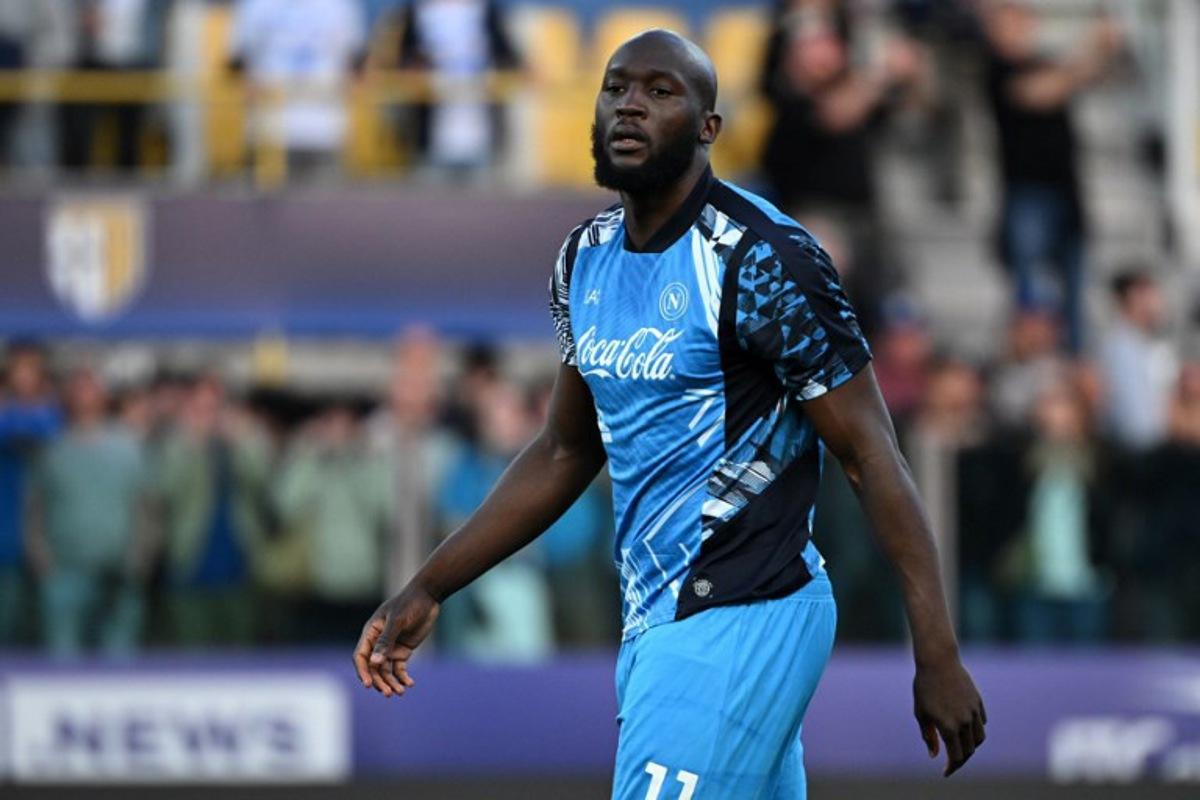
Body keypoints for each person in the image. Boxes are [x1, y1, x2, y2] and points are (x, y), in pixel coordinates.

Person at [354, 30, 986, 796]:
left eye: (660, 92)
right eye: (617, 87)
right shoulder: (582, 257)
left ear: (708, 127)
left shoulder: (762, 260)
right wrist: (428, 585)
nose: (630, 105)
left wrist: (937, 651)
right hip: (658, 625)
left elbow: (869, 452)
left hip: (748, 609)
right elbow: (563, 450)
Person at [982, 1, 1123, 354]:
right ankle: (1026, 361)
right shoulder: (997, 70)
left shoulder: (1045, 62)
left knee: (1073, 297)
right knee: (1030, 296)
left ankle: (1073, 368)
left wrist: (1104, 49)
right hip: (1027, 195)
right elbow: (1042, 91)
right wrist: (1092, 46)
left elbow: (1086, 76)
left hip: (1066, 193)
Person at [25, 368, 150, 656]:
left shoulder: (128, 448)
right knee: (62, 661)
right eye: (78, 390)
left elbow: (146, 508)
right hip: (64, 575)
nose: (85, 397)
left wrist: (139, 560)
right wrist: (43, 562)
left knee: (119, 663)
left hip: (120, 574)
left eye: (91, 390)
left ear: (105, 398)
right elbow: (35, 510)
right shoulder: (51, 450)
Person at [0, 342, 62, 645]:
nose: (25, 375)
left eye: (31, 368)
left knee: (47, 631)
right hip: (7, 543)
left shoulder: (54, 409)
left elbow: (46, 430)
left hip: (50, 544)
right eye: (19, 368)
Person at [1097, 269, 1177, 451]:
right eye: (1152, 294)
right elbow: (1139, 429)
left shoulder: (1148, 345)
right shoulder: (1120, 348)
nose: (1160, 302)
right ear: (1135, 297)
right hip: (1139, 460)